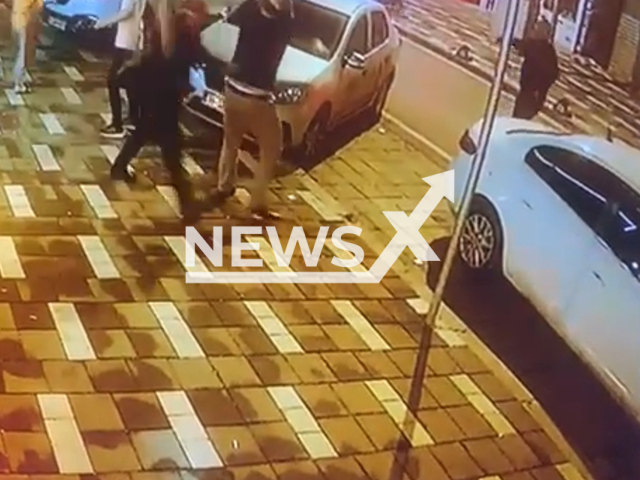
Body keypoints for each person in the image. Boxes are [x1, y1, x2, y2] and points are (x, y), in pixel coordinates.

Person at [109, 0, 202, 222]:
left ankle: (119, 167)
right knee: (171, 148)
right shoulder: (176, 22)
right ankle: (187, 203)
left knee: (144, 130)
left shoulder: (173, 19)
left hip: (156, 89)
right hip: (161, 91)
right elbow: (172, 53)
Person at [209, 0, 293, 219]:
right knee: (272, 147)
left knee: (231, 140)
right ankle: (257, 202)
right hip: (257, 97)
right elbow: (284, 11)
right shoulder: (284, 21)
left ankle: (224, 186)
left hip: (233, 89)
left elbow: (229, 17)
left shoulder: (249, 8)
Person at [94, 0, 146, 138]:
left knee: (113, 81)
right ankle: (133, 119)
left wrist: (104, 22)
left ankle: (117, 125)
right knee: (131, 82)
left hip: (125, 42)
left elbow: (127, 12)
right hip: (131, 41)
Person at [512, 20, 559, 120]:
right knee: (520, 118)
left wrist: (540, 89)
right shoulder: (545, 49)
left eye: (536, 29)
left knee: (519, 119)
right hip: (529, 92)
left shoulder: (540, 48)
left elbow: (553, 74)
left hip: (532, 93)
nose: (534, 31)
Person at [11, 0, 42, 93]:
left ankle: (21, 79)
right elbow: (39, 8)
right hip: (24, 23)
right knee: (23, 54)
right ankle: (18, 83)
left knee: (19, 52)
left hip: (15, 21)